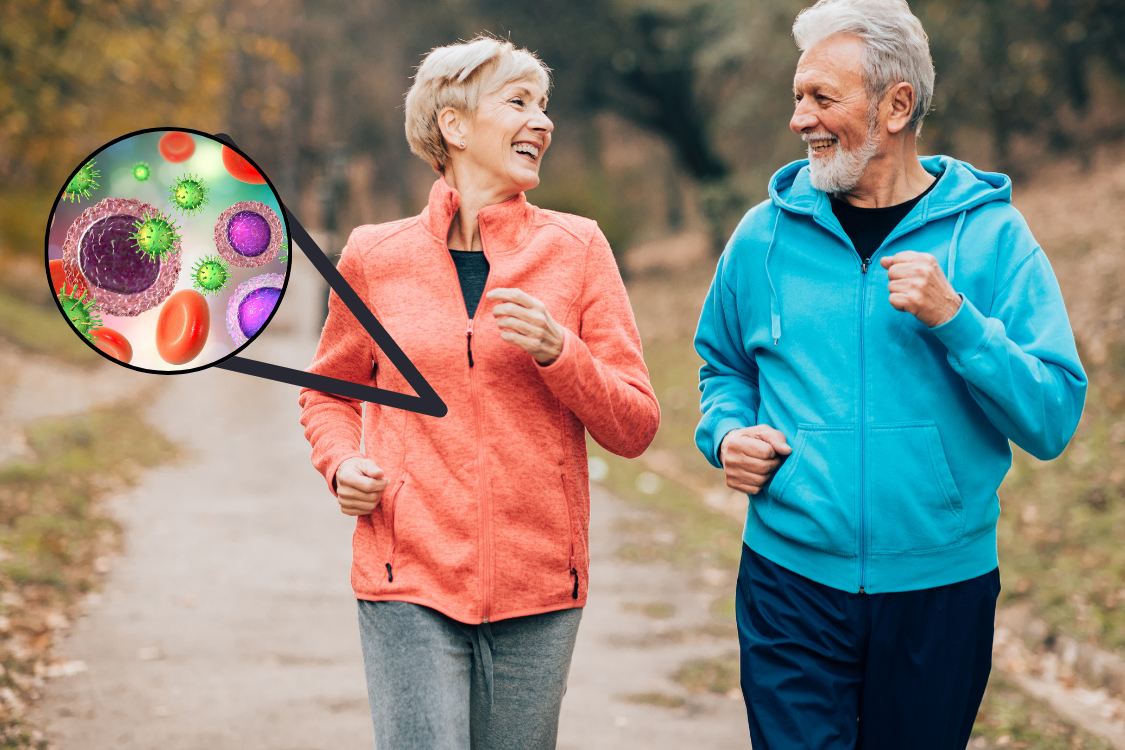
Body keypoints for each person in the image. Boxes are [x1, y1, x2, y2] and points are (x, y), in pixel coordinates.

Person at [693, 1, 1087, 747]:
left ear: (896, 106)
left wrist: (957, 321)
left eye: (820, 98)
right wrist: (725, 432)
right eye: (795, 96)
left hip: (940, 589)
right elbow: (723, 366)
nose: (798, 119)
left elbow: (1052, 418)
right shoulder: (761, 237)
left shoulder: (993, 236)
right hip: (789, 581)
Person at [298, 36, 659, 750]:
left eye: (544, 106)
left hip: (539, 586)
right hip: (408, 572)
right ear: (454, 125)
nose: (542, 122)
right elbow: (326, 394)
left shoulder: (577, 249)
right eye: (518, 102)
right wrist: (340, 463)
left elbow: (635, 425)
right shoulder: (375, 255)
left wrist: (563, 353)